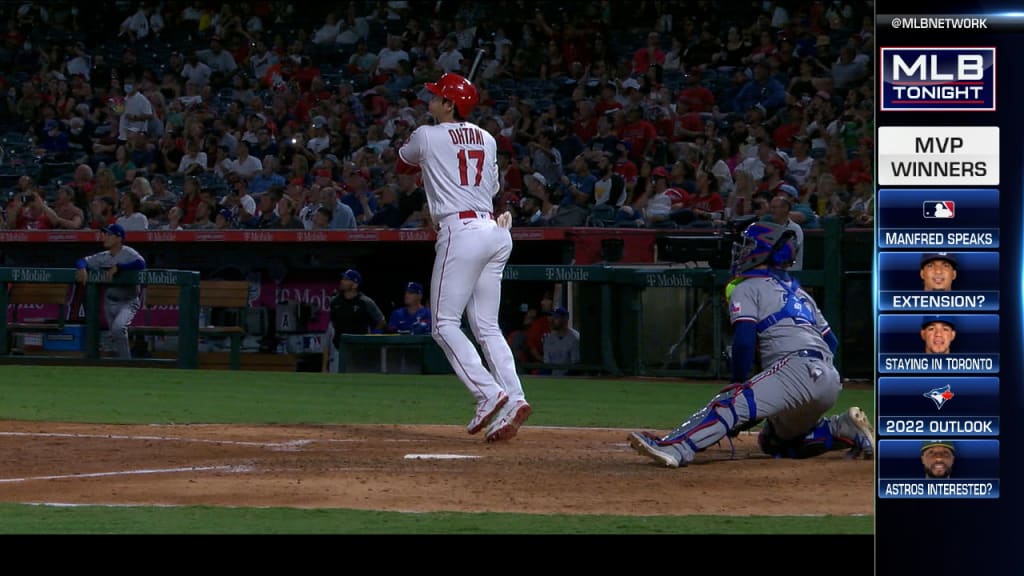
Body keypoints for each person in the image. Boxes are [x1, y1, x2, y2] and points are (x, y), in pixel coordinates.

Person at [628, 221, 874, 467]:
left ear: (764, 250)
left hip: (795, 368)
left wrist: (739, 383)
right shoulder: (802, 294)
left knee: (728, 404)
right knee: (775, 442)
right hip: (829, 378)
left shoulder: (747, 286)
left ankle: (676, 448)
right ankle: (842, 427)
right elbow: (831, 341)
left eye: (749, 245)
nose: (743, 250)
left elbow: (744, 340)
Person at [397, 72, 531, 442]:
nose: (431, 101)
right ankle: (515, 399)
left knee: (443, 324)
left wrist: (431, 156)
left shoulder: (426, 134)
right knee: (487, 326)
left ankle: (488, 394)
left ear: (450, 104)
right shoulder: (487, 138)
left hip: (461, 233)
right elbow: (492, 188)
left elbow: (402, 162)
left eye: (438, 96)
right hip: (494, 231)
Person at [74, 224, 147, 359]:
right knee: (114, 334)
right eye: (105, 234)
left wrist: (120, 267)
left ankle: (126, 364)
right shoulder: (104, 256)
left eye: (108, 235)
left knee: (118, 329)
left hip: (128, 301)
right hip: (109, 302)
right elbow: (82, 260)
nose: (104, 237)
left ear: (119, 238)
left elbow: (141, 264)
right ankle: (121, 363)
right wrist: (82, 268)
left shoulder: (128, 252)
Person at [322, 269, 386, 373]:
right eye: (342, 278)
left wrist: (371, 336)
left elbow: (381, 321)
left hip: (360, 350)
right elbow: (333, 324)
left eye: (346, 279)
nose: (342, 281)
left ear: (355, 284)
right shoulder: (335, 301)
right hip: (340, 349)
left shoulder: (365, 302)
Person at [543, 307, 579, 376]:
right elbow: (547, 365)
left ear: (565, 319)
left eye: (556, 317)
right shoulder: (548, 339)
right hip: (552, 379)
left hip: (570, 380)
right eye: (552, 317)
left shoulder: (575, 338)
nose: (552, 320)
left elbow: (576, 366)